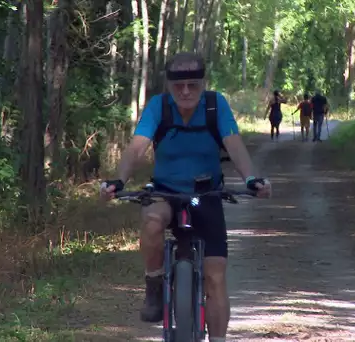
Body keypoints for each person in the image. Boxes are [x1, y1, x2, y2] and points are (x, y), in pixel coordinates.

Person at [99, 52, 272, 342]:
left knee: (215, 277)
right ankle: (154, 285)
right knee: (152, 221)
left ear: (203, 83)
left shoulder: (216, 105)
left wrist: (252, 180)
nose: (186, 91)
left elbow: (235, 145)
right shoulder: (159, 107)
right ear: (169, 85)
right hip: (165, 190)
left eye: (193, 84)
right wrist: (118, 181)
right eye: (179, 85)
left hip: (208, 194)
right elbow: (136, 148)